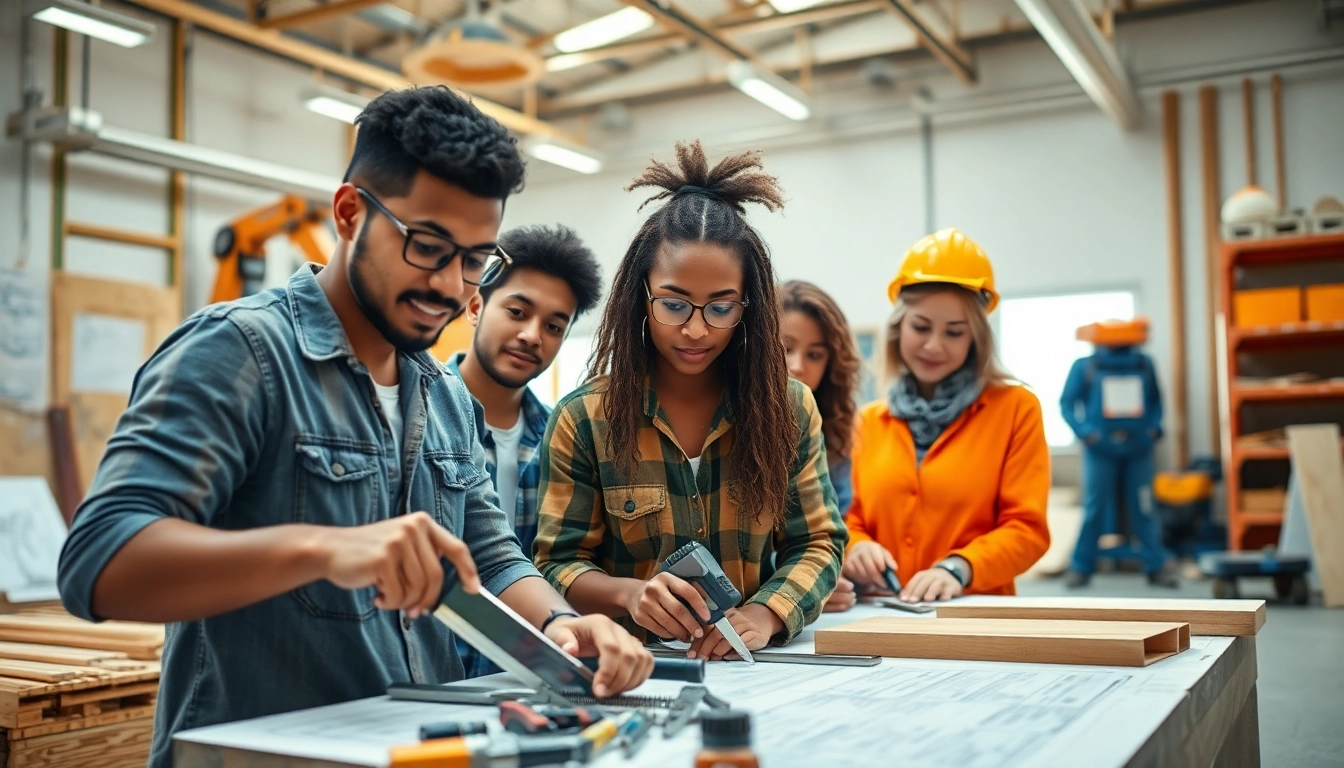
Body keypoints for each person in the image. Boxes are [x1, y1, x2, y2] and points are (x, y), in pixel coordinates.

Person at [56, 87, 652, 768]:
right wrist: (325, 549)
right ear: (349, 214)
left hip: (410, 752)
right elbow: (99, 562)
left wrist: (564, 625)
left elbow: (488, 557)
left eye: (473, 260)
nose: (451, 286)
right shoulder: (241, 354)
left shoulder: (443, 396)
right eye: (428, 246)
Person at [533, 141, 847, 660]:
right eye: (674, 304)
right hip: (634, 668)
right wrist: (631, 596)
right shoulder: (585, 418)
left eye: (721, 308)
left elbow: (818, 541)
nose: (697, 330)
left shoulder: (789, 408)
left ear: (749, 307)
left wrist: (766, 614)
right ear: (641, 296)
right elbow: (556, 563)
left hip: (754, 666)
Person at [843, 228, 1050, 603]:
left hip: (976, 613)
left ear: (976, 339)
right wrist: (856, 547)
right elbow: (849, 519)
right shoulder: (870, 421)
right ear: (899, 328)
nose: (933, 345)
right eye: (920, 327)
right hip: (883, 613)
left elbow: (1027, 529)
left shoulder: (1016, 409)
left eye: (954, 332)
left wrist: (959, 568)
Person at [447, 224, 604, 676]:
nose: (533, 335)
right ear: (475, 306)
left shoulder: (565, 435)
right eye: (517, 311)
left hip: (536, 672)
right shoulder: (424, 417)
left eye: (554, 326)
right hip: (440, 676)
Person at [1060, 322, 1176, 588]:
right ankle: (1081, 567)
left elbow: (1157, 402)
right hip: (1099, 450)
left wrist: (1153, 431)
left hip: (1139, 449)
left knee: (1145, 507)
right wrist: (1086, 433)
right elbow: (1066, 403)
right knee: (1095, 507)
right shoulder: (1084, 367)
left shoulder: (1144, 364)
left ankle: (1156, 566)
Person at [779, 280, 862, 613]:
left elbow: (831, 533)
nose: (798, 365)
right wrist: (796, 590)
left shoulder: (837, 436)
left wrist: (829, 577)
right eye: (786, 348)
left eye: (815, 354)